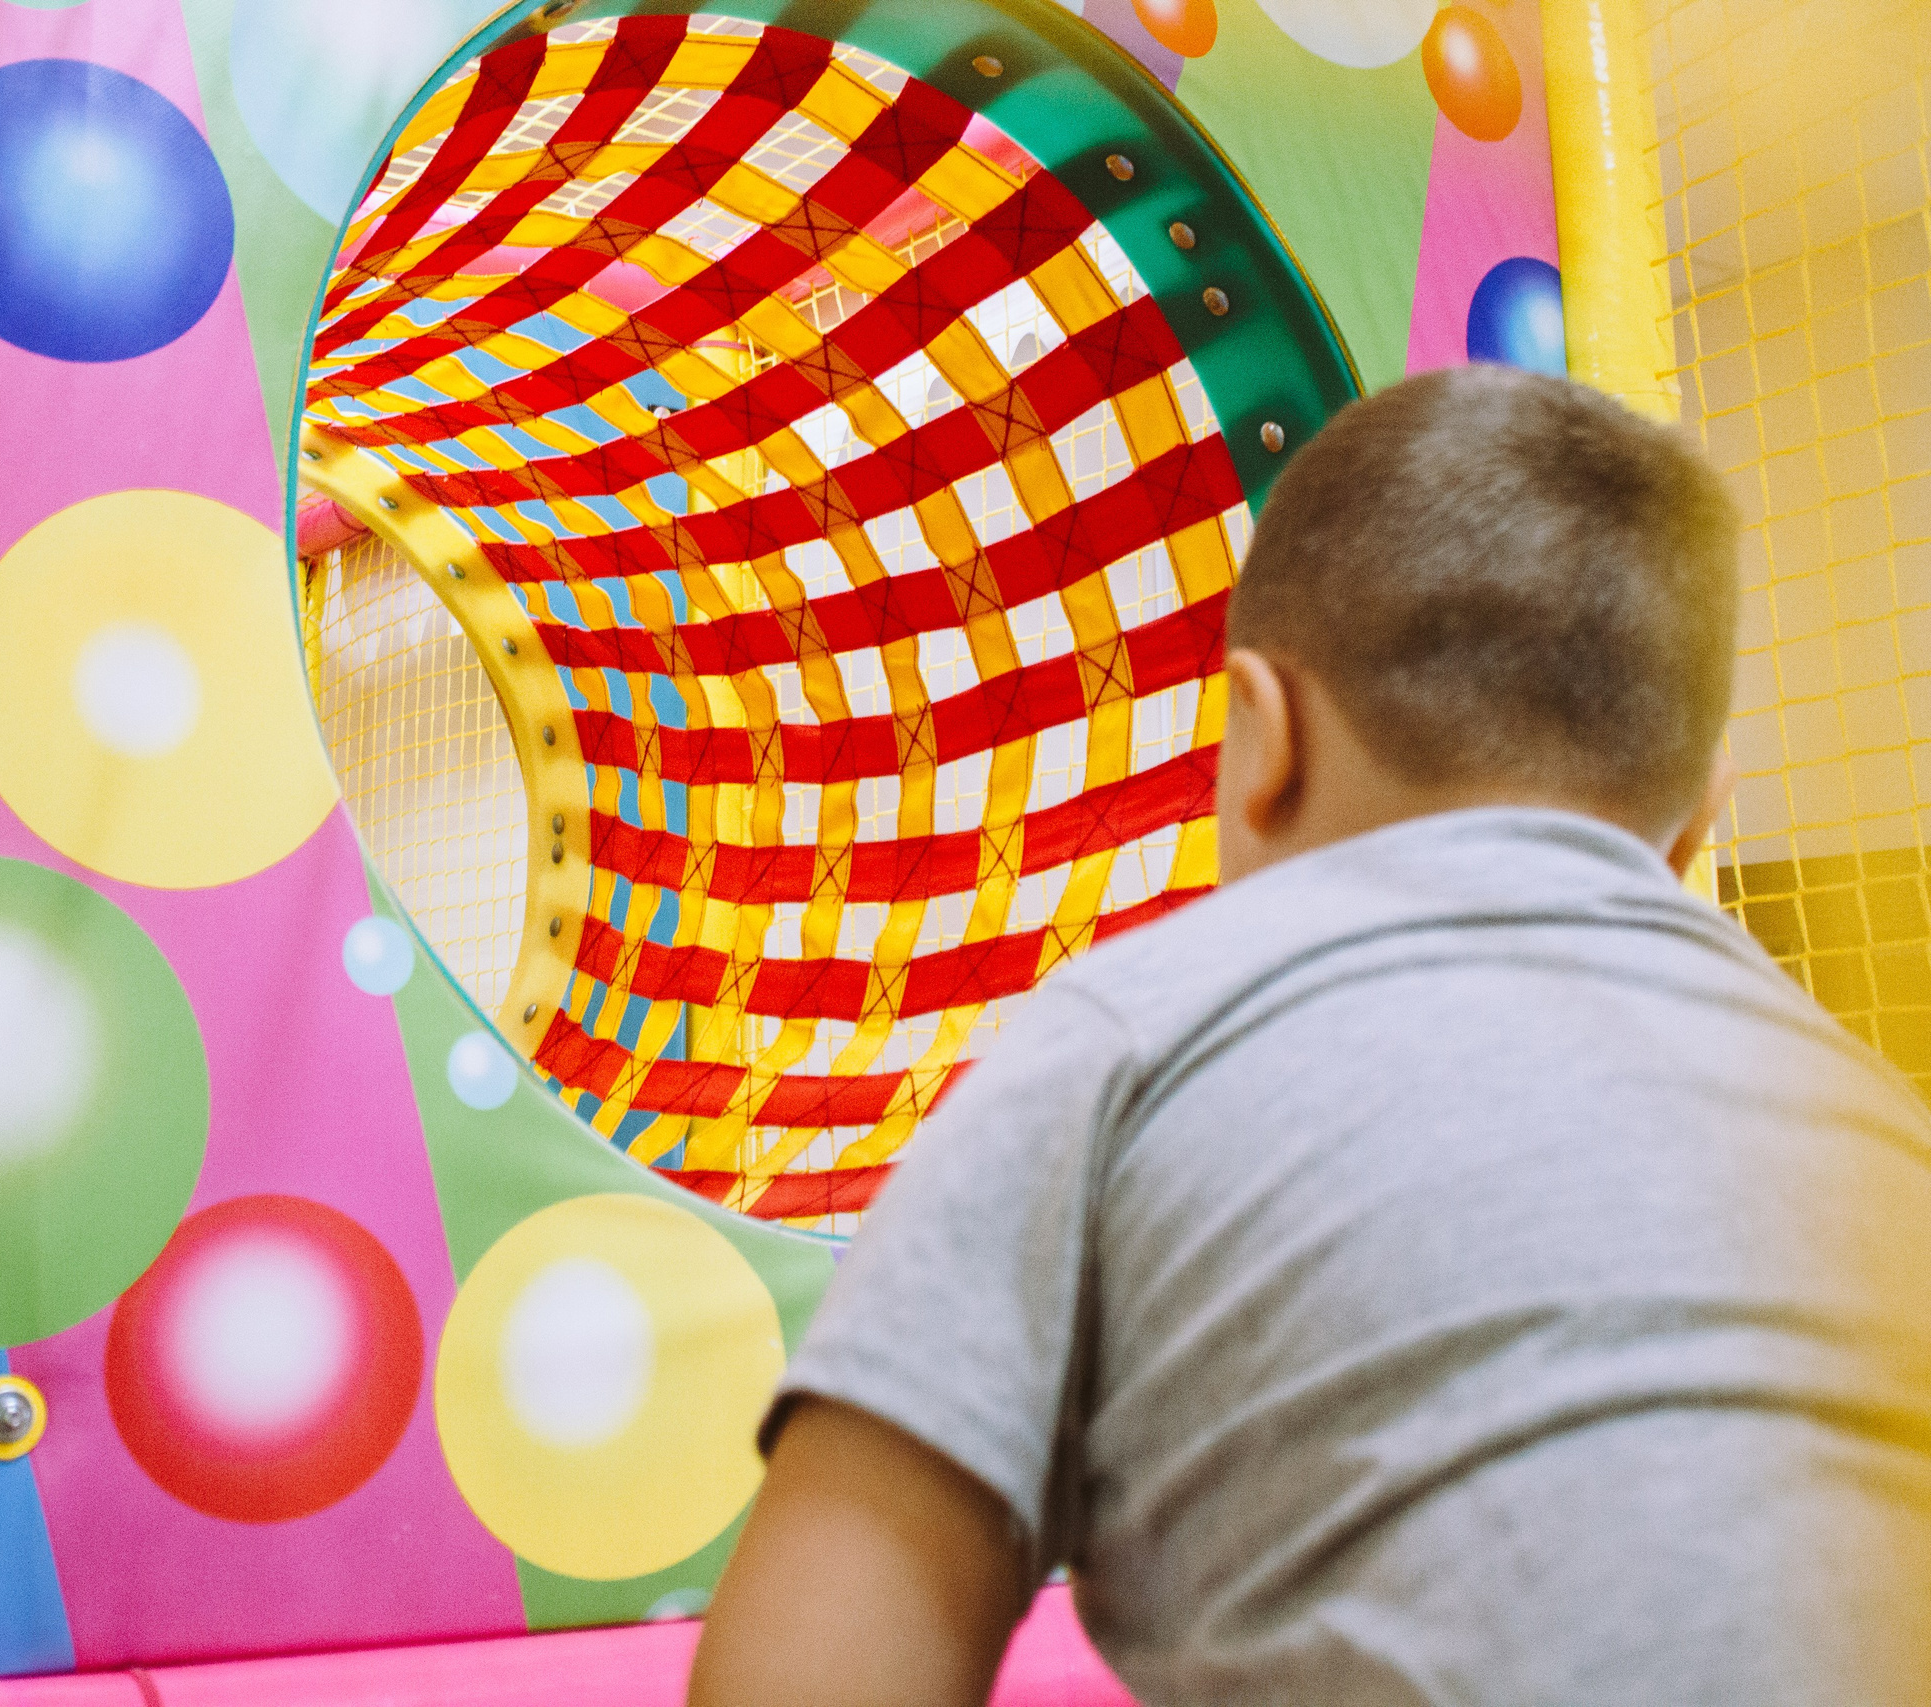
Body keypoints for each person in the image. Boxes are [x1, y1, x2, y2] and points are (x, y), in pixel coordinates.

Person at [687, 366, 1931, 1707]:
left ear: (1259, 742)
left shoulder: (1125, 1036)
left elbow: (810, 1667)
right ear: (1697, 827)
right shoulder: (1865, 1109)